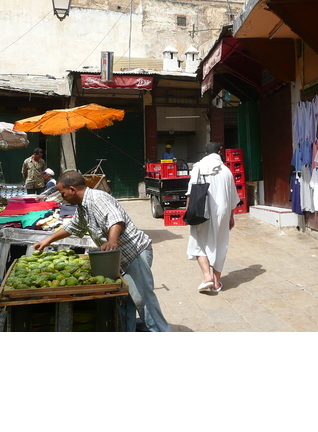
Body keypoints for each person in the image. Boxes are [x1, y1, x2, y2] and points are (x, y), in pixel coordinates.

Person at [33, 171, 170, 332]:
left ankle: (161, 332)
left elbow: (116, 219)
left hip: (134, 254)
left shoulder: (98, 198)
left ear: (72, 189)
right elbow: (73, 227)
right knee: (125, 300)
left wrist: (112, 241)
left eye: (63, 193)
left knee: (143, 300)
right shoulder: (83, 206)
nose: (62, 198)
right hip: (118, 258)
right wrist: (48, 240)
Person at [186, 141, 240, 293]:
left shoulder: (198, 167)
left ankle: (206, 276)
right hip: (223, 212)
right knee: (220, 244)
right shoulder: (226, 171)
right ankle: (216, 283)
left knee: (198, 243)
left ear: (206, 153)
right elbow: (232, 197)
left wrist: (188, 211)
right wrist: (231, 217)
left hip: (202, 212)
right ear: (219, 153)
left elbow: (191, 192)